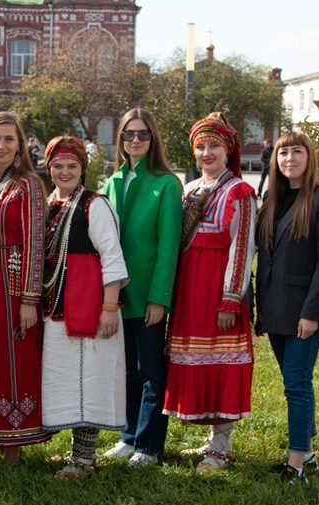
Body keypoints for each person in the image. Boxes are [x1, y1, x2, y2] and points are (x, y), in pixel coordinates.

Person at [164, 112, 256, 472]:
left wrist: (231, 297)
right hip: (189, 291)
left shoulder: (240, 192)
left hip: (217, 290)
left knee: (221, 364)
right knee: (198, 363)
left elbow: (242, 247)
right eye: (200, 146)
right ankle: (212, 441)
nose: (206, 153)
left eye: (214, 145)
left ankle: (221, 445)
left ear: (228, 148)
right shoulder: (188, 190)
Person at [40, 136, 129, 480]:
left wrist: (109, 307)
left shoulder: (96, 205)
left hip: (90, 305)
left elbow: (112, 256)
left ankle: (83, 458)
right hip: (56, 306)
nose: (65, 172)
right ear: (49, 169)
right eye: (58, 166)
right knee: (64, 377)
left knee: (88, 379)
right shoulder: (48, 204)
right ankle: (74, 453)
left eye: (72, 166)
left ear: (83, 169)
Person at [254, 132, 319, 484]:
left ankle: (296, 465)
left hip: (303, 310)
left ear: (309, 156)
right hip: (273, 308)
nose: (289, 158)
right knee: (293, 381)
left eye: (297, 151)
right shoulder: (271, 200)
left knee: (297, 385)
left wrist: (312, 313)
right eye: (283, 152)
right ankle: (309, 452)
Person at [99, 108, 182, 466]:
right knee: (126, 370)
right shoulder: (112, 181)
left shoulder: (165, 183)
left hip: (148, 292)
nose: (135, 140)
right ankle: (129, 436)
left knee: (150, 369)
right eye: (129, 134)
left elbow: (168, 246)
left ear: (153, 139)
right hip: (118, 292)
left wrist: (158, 298)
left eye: (143, 134)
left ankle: (150, 444)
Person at [0, 111, 50, 463]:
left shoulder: (29, 185)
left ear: (19, 145)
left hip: (13, 282)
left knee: (12, 358)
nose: (1, 145)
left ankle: (14, 442)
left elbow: (35, 243)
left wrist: (30, 299)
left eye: (9, 139)